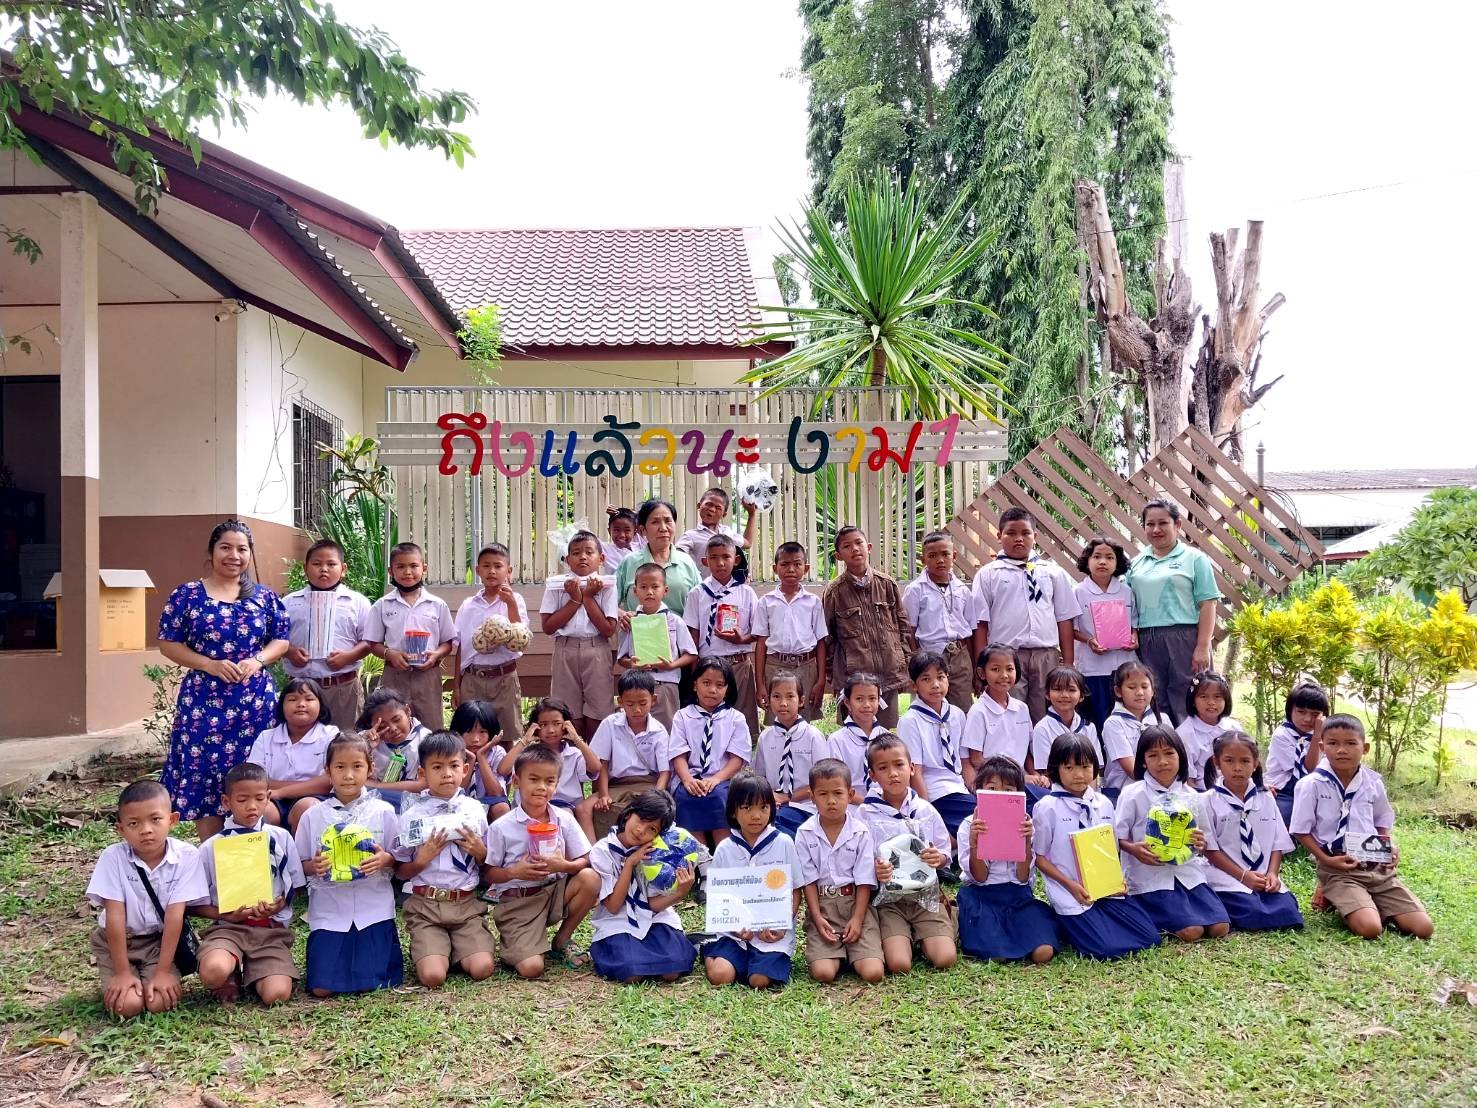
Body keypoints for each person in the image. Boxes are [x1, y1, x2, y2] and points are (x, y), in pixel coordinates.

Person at [157, 519, 291, 840]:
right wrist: (209, 664)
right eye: (225, 548)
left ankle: (254, 854)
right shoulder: (187, 595)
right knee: (205, 778)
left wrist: (257, 660)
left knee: (252, 777)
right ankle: (213, 854)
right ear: (211, 552)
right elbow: (168, 643)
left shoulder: (264, 597)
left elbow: (282, 640)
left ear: (250, 554)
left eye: (242, 549)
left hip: (253, 704)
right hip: (204, 704)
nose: (234, 555)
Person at [1291, 715, 1434, 941]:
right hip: (1338, 868)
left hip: (1376, 866)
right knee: (1370, 929)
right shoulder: (1311, 785)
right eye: (1333, 743)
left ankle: (1366, 901)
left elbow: (1381, 820)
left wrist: (1389, 845)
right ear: (1322, 747)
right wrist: (1326, 860)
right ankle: (1345, 897)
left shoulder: (1372, 782)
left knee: (1423, 929)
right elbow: (1300, 830)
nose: (1341, 750)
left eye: (1350, 743)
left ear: (1364, 748)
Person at [85, 780, 208, 1018]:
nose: (146, 830)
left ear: (172, 820)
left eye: (155, 819)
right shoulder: (113, 857)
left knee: (158, 1003)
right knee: (127, 1007)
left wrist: (163, 972)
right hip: (119, 942)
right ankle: (126, 975)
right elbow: (115, 916)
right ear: (120, 829)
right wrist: (122, 973)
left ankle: (151, 976)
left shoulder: (187, 856)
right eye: (134, 823)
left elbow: (175, 916)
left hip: (158, 943)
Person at [1032, 734, 1160, 961]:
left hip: (1105, 889)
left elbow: (1111, 849)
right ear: (1055, 768)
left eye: (1085, 766)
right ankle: (1066, 924)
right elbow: (1040, 858)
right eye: (1069, 767)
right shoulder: (1047, 807)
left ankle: (1091, 924)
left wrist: (1116, 881)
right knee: (1104, 949)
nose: (1078, 775)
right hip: (1070, 891)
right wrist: (1071, 886)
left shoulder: (1104, 803)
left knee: (1149, 937)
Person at [293, 732, 403, 997]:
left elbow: (399, 858)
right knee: (322, 989)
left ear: (370, 769)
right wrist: (315, 866)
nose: (349, 775)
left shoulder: (383, 811)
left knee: (371, 984)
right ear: (327, 770)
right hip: (330, 909)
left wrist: (385, 859)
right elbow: (301, 864)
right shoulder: (313, 816)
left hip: (373, 908)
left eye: (357, 766)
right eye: (340, 767)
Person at [483, 743, 601, 977]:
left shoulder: (563, 819)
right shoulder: (502, 827)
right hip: (518, 902)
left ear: (556, 785)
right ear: (516, 781)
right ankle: (518, 941)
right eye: (534, 779)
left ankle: (562, 939)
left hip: (553, 893)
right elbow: (488, 873)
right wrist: (515, 872)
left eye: (549, 781)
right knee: (532, 968)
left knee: (590, 878)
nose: (541, 787)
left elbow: (586, 859)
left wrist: (564, 865)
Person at [195, 762, 305, 1005]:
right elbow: (193, 905)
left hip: (269, 930)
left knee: (276, 995)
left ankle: (258, 971)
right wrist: (225, 914)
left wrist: (278, 905)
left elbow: (295, 886)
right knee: (213, 972)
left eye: (259, 798)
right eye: (242, 799)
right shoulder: (211, 847)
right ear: (226, 802)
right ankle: (229, 969)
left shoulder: (281, 838)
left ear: (268, 798)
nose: (252, 806)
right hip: (227, 928)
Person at [392, 731, 495, 988]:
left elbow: (488, 866)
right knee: (433, 977)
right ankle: (436, 949)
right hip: (426, 905)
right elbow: (399, 871)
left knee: (482, 969)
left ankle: (458, 947)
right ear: (422, 773)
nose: (447, 773)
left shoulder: (474, 810)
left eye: (454, 766)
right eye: (437, 767)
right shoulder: (413, 816)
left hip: (465, 904)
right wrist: (421, 860)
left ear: (465, 769)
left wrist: (481, 852)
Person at [1114, 726, 1230, 943]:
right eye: (1153, 756)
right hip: (1150, 877)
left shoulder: (1192, 796)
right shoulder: (1132, 794)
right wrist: (1133, 849)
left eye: (1169, 753)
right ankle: (1145, 911)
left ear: (1181, 757)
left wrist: (1200, 843)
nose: (1162, 762)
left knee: (1220, 927)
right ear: (1143, 761)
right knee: (1191, 932)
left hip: (1188, 874)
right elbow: (1117, 837)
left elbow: (1204, 840)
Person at [858, 735, 958, 974]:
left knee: (945, 959)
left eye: (899, 765)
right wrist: (876, 869)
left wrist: (938, 858)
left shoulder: (924, 809)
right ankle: (906, 936)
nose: (893, 773)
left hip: (925, 897)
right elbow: (859, 859)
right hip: (888, 901)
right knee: (899, 964)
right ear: (872, 775)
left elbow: (945, 851)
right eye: (883, 768)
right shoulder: (865, 814)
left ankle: (942, 922)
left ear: (911, 768)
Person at [969, 508, 1079, 723]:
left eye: (1025, 533)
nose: (1019, 538)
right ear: (999, 536)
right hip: (1006, 657)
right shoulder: (988, 574)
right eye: (1011, 533)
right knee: (1009, 713)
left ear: (1035, 536)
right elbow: (980, 623)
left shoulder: (1053, 572)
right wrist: (981, 665)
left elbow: (1064, 618)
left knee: (1045, 713)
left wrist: (1068, 662)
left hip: (1046, 656)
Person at [587, 789, 700, 983]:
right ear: (629, 813)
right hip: (618, 920)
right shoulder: (603, 851)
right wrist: (630, 863)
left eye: (652, 829)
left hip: (655, 919)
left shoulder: (657, 855)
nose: (641, 831)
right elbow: (613, 906)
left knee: (673, 970)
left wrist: (680, 892)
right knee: (631, 973)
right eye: (641, 820)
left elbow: (652, 905)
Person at [703, 773, 803, 989]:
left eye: (763, 808)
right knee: (721, 976)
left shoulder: (784, 843)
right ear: (733, 811)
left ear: (772, 809)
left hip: (772, 934)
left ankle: (759, 963)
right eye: (747, 808)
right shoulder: (725, 848)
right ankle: (707, 950)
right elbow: (717, 897)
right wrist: (734, 927)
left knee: (759, 981)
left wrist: (782, 924)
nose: (756, 816)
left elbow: (796, 890)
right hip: (735, 934)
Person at [1126, 499, 1222, 724]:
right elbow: (1128, 604)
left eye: (1163, 523)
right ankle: (1163, 743)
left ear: (1177, 525)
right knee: (1154, 699)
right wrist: (1133, 632)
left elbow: (1208, 604)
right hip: (1148, 641)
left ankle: (1192, 745)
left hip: (1184, 638)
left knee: (1189, 696)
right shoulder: (1136, 563)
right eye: (1150, 524)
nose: (1156, 529)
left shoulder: (1195, 559)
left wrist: (1202, 646)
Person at [956, 756, 1058, 964]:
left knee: (1044, 951)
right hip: (982, 896)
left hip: (1017, 896)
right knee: (996, 954)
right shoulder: (968, 825)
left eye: (1008, 790)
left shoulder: (1025, 824)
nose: (1000, 795)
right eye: (992, 789)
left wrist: (1025, 841)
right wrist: (975, 843)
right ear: (979, 790)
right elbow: (980, 877)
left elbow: (1022, 877)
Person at [1201, 732, 1304, 931]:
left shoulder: (1266, 797)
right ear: (1217, 762)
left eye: (1245, 761)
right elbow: (1210, 850)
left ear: (1255, 763)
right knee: (1253, 912)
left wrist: (1272, 873)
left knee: (1289, 913)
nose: (1237, 768)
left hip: (1263, 875)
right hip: (1228, 874)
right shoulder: (1207, 801)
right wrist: (1243, 876)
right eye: (1229, 761)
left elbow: (1278, 842)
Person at [795, 759, 885, 984]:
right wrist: (817, 918)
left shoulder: (860, 832)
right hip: (823, 906)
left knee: (873, 973)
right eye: (823, 794)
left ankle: (854, 952)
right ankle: (836, 954)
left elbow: (864, 881)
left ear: (851, 794)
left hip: (855, 903)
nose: (831, 801)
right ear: (811, 796)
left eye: (838, 793)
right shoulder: (805, 833)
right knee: (823, 973)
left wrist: (857, 918)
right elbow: (808, 882)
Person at [823, 525, 916, 728]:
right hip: (853, 679)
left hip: (887, 675)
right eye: (847, 546)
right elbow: (829, 638)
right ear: (838, 556)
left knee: (883, 733)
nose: (855, 549)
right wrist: (834, 677)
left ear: (869, 547)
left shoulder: (887, 584)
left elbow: (903, 628)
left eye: (859, 543)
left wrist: (905, 665)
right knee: (853, 732)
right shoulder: (835, 592)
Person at [363, 541, 456, 730]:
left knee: (431, 727)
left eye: (414, 566)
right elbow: (373, 643)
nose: (407, 572)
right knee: (393, 727)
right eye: (400, 567)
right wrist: (390, 654)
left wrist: (436, 655)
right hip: (395, 675)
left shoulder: (437, 605)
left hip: (427, 675)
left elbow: (448, 642)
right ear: (390, 571)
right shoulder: (382, 605)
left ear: (424, 568)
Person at [282, 538, 372, 729]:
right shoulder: (289, 603)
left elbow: (369, 641)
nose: (324, 569)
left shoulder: (357, 602)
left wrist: (349, 656)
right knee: (301, 738)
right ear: (305, 568)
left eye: (331, 564)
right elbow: (275, 639)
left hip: (343, 688)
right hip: (301, 690)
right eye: (316, 564)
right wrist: (290, 651)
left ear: (343, 569)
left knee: (346, 740)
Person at [540, 530, 619, 741]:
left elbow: (608, 629)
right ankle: (572, 756)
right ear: (567, 560)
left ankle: (595, 757)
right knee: (567, 711)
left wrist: (589, 597)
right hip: (565, 648)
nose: (582, 557)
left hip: (596, 648)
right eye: (575, 553)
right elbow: (548, 626)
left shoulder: (606, 585)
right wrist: (575, 599)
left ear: (601, 558)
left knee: (599, 711)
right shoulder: (557, 586)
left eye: (589, 552)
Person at [669, 656, 753, 849]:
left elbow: (737, 760)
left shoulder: (735, 718)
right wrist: (687, 780)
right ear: (694, 685)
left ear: (727, 689)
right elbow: (678, 754)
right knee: (686, 797)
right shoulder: (683, 716)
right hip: (691, 777)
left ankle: (725, 854)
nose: (712, 690)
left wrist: (715, 779)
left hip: (724, 779)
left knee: (718, 797)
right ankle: (701, 856)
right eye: (706, 683)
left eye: (719, 685)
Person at [684, 533, 760, 736]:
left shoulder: (746, 593)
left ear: (736, 560)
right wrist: (695, 671)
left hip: (739, 664)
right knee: (711, 717)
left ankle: (743, 753)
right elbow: (693, 634)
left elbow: (758, 631)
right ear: (704, 561)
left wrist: (741, 639)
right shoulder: (697, 594)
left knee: (742, 718)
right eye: (714, 558)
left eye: (726, 557)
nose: (720, 563)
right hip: (708, 666)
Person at [454, 542, 528, 748]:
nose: (492, 571)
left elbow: (520, 638)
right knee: (471, 737)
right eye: (486, 566)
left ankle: (504, 769)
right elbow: (461, 647)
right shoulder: (468, 605)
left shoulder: (515, 600)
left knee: (506, 737)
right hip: (473, 678)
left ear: (509, 571)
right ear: (477, 570)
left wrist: (510, 604)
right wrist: (457, 686)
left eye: (498, 566)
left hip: (504, 678)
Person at [497, 698, 601, 843]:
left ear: (566, 725)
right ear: (535, 727)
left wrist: (577, 739)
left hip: (563, 807)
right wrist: (525, 740)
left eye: (557, 724)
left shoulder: (573, 754)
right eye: (543, 725)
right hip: (528, 807)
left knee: (562, 819)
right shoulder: (528, 754)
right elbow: (503, 770)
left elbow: (595, 767)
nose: (551, 730)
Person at [896, 651, 973, 832]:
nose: (935, 685)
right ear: (914, 685)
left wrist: (976, 791)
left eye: (940, 677)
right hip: (934, 793)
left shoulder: (957, 714)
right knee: (978, 821)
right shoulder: (910, 721)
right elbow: (915, 773)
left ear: (948, 679)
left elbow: (965, 762)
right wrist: (926, 812)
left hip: (959, 789)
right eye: (926, 679)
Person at [902, 531, 978, 713]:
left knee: (962, 707)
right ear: (923, 559)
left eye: (945, 554)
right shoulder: (915, 590)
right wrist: (916, 659)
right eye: (932, 556)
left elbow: (971, 630)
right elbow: (909, 630)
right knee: (930, 703)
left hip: (960, 656)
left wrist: (974, 664)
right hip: (930, 654)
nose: (940, 560)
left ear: (954, 556)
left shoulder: (963, 590)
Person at [589, 672, 671, 839]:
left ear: (653, 700)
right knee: (583, 808)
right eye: (630, 704)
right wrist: (604, 794)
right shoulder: (610, 724)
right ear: (620, 702)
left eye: (643, 703)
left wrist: (656, 795)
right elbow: (602, 763)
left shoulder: (659, 730)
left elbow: (665, 771)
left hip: (647, 783)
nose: (637, 709)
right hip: (616, 784)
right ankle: (591, 851)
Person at [615, 562, 696, 730]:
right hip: (637, 687)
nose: (649, 592)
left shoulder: (675, 621)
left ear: (665, 590)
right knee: (637, 729)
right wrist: (632, 664)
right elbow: (621, 658)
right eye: (643, 587)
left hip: (666, 685)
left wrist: (672, 665)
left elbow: (691, 654)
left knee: (668, 731)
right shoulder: (631, 622)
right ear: (635, 591)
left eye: (655, 587)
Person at [753, 542, 828, 722]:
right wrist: (760, 683)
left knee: (803, 717)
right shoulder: (766, 602)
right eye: (785, 564)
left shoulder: (813, 602)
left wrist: (821, 680)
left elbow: (821, 642)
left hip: (806, 666)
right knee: (777, 716)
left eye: (797, 564)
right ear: (775, 568)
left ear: (806, 568)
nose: (791, 569)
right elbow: (761, 643)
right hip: (775, 665)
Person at [247, 677, 335, 830]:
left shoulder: (331, 735)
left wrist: (281, 791)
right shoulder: (266, 737)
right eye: (293, 699)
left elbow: (331, 780)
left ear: (321, 705)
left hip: (314, 798)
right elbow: (253, 779)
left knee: (307, 809)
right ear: (282, 706)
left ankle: (301, 848)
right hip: (271, 797)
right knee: (261, 811)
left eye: (309, 699)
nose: (301, 704)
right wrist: (311, 784)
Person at [1072, 536, 1139, 732]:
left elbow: (1134, 623)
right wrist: (1089, 641)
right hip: (1093, 667)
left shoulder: (1126, 592)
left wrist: (1134, 638)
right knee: (1098, 715)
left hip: (1123, 665)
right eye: (1097, 556)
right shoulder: (1078, 592)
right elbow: (1073, 630)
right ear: (1087, 560)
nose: (1103, 562)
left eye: (1110, 557)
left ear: (1118, 563)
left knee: (1125, 715)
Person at [751, 671, 825, 838]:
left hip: (806, 806)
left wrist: (787, 797)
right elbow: (759, 777)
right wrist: (769, 797)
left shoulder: (813, 736)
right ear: (769, 699)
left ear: (801, 701)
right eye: (776, 697)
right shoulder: (766, 737)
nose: (783, 703)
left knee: (774, 826)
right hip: (772, 804)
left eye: (790, 696)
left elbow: (823, 781)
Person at [962, 645, 1037, 788]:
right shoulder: (978, 712)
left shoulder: (1022, 708)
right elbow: (976, 759)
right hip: (995, 782)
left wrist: (1035, 774)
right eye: (995, 669)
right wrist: (1016, 777)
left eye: (1009, 669)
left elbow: (1026, 751)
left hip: (1022, 779)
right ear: (982, 673)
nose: (1004, 675)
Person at [615, 499, 702, 615]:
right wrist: (622, 614)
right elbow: (609, 602)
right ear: (643, 530)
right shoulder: (629, 562)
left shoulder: (687, 562)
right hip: (637, 626)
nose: (663, 528)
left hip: (679, 626)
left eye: (668, 521)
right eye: (655, 522)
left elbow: (701, 603)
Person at [1100, 660, 1170, 800]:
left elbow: (1175, 757)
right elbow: (1132, 770)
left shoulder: (1163, 719)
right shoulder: (1114, 724)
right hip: (1122, 794)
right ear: (1118, 691)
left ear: (1153, 690)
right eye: (1132, 687)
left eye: (1145, 686)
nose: (1139, 693)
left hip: (1162, 789)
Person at [357, 687, 432, 814]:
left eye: (396, 720)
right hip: (373, 805)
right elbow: (353, 778)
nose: (392, 728)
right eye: (382, 726)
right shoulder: (363, 740)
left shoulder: (426, 740)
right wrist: (366, 748)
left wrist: (377, 786)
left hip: (416, 804)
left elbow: (424, 784)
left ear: (407, 711)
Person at [1267, 681, 1331, 827]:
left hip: (1315, 790)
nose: (1307, 719)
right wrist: (1317, 737)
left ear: (1323, 716)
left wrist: (1319, 734)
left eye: (1315, 714)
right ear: (1290, 710)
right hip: (1283, 791)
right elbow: (1308, 769)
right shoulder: (1282, 735)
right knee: (1285, 817)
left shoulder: (1328, 736)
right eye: (1301, 712)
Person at [1028, 666, 1098, 792]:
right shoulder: (1042, 728)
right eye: (1057, 689)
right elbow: (1047, 772)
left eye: (1071, 690)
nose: (1064, 695)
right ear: (1047, 694)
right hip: (1057, 792)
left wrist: (1089, 797)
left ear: (1081, 696)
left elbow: (1094, 770)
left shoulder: (1089, 727)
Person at [824, 672, 889, 803]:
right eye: (859, 699)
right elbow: (835, 782)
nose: (867, 705)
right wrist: (867, 802)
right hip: (849, 805)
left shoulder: (888, 738)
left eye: (872, 698)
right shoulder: (837, 741)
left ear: (879, 701)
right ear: (848, 703)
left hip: (886, 803)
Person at [448, 698, 512, 819]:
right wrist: (471, 760)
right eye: (469, 732)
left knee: (501, 807)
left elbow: (496, 794)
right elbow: (455, 793)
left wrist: (481, 757)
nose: (475, 739)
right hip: (458, 807)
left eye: (482, 732)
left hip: (488, 806)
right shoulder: (451, 752)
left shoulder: (497, 752)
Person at [1177, 672, 1241, 790]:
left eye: (1217, 696)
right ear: (1193, 700)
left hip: (1237, 789)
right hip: (1203, 793)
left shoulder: (1234, 728)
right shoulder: (1184, 734)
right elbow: (1189, 781)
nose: (1211, 702)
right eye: (1203, 696)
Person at [675, 485, 758, 560]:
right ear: (699, 506)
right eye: (708, 504)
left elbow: (748, 543)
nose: (712, 509)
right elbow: (675, 556)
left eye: (718, 508)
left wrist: (752, 514)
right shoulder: (690, 536)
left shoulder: (727, 532)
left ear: (724, 514)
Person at [602, 506, 645, 574]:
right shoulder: (605, 549)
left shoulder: (641, 545)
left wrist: (631, 514)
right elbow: (584, 534)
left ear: (635, 532)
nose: (622, 535)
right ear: (609, 531)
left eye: (627, 530)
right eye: (617, 530)